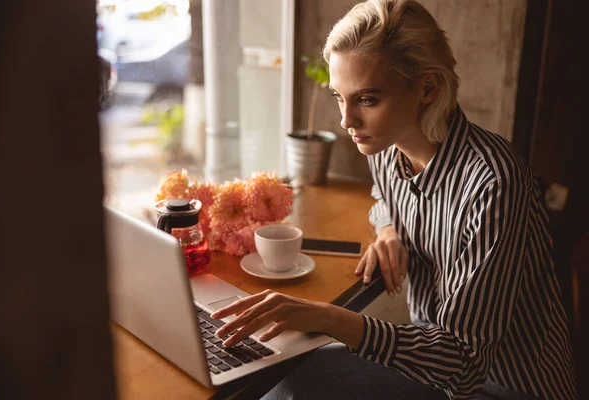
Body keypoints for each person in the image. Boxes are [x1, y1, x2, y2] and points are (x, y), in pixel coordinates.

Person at [211, 0, 577, 398]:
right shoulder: (386, 147)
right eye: (339, 96)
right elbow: (382, 196)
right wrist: (387, 229)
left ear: (428, 88)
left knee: (298, 379)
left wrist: (331, 319)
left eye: (367, 99)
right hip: (430, 364)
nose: (346, 121)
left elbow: (464, 365)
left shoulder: (494, 184)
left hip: (503, 386)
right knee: (287, 374)